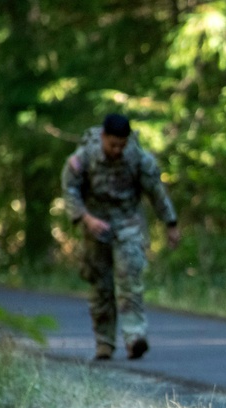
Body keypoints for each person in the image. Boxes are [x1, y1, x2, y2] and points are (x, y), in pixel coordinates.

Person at [61, 113, 179, 361]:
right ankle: (104, 342)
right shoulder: (84, 157)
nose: (117, 150)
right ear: (103, 137)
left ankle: (135, 337)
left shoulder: (137, 157)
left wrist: (170, 223)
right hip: (95, 223)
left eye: (122, 145)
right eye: (113, 145)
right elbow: (70, 190)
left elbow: (156, 191)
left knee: (130, 279)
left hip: (127, 222)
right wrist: (86, 219)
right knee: (101, 285)